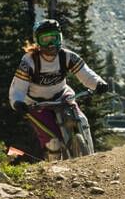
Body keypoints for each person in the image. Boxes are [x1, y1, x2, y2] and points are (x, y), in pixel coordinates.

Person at [9, 18, 108, 159]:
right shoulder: (29, 61)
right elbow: (18, 86)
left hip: (63, 96)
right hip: (36, 104)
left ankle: (90, 157)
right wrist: (17, 102)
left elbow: (85, 73)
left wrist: (98, 83)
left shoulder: (67, 56)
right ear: (37, 41)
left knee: (82, 120)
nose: (50, 44)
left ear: (60, 38)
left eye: (54, 38)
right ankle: (54, 167)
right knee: (53, 142)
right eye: (45, 39)